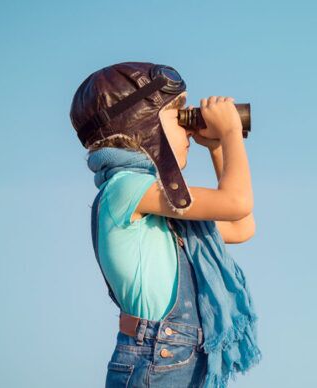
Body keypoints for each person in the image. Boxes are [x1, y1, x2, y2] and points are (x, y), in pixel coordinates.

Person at [70, 62, 261, 388]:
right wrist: (230, 132)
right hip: (154, 359)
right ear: (142, 124)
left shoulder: (161, 212)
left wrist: (216, 147)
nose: (188, 127)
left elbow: (242, 225)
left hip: (179, 359)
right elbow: (237, 201)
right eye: (178, 114)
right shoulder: (126, 188)